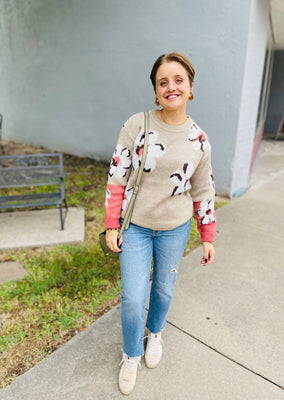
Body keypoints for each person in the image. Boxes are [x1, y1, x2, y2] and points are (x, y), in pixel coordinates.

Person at [104, 52, 216, 395]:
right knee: (134, 297)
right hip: (135, 226)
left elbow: (203, 189)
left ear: (191, 87)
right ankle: (131, 354)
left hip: (176, 227)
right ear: (155, 91)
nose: (171, 87)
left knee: (164, 290)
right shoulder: (137, 124)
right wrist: (112, 222)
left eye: (178, 80)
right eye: (163, 82)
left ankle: (155, 333)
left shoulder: (199, 139)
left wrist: (207, 234)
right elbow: (117, 174)